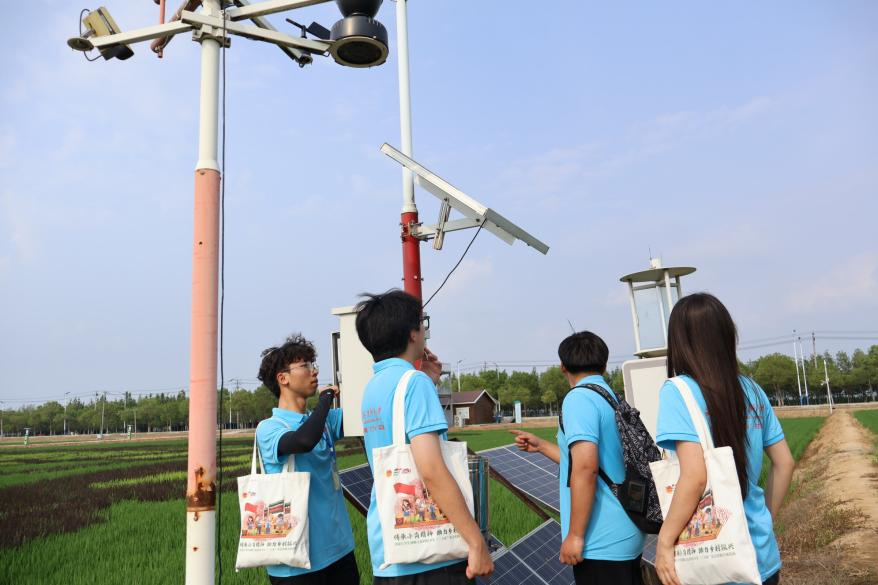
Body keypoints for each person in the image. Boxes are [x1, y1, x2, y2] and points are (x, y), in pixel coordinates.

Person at [653, 293, 795, 585]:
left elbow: (694, 476)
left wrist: (665, 543)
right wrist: (763, 519)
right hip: (762, 557)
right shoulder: (752, 390)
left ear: (679, 341)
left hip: (713, 561)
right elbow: (785, 463)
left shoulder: (678, 391)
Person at [355, 289, 493, 584]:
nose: (425, 331)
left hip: (390, 550)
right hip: (430, 555)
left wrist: (427, 381)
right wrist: (475, 542)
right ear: (412, 334)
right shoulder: (414, 383)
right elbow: (430, 470)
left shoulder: (373, 387)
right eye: (422, 323)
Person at [511, 331, 645, 585]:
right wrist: (542, 446)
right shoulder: (610, 397)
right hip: (627, 528)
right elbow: (594, 462)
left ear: (563, 366)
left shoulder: (578, 398)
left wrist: (575, 536)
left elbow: (585, 467)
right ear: (604, 364)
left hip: (601, 539)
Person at [255, 334, 359, 585]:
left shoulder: (323, 421)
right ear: (283, 378)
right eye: (305, 366)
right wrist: (326, 399)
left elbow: (364, 410)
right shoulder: (269, 428)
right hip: (296, 563)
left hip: (339, 551)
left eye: (313, 365)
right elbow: (303, 441)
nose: (314, 371)